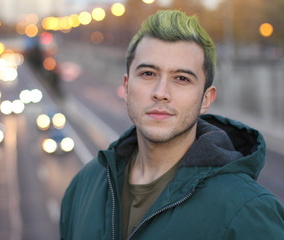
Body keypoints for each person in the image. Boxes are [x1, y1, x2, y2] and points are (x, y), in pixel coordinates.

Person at [60, 9, 284, 240]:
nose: (161, 93)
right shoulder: (84, 185)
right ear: (126, 87)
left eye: (182, 79)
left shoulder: (247, 211)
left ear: (205, 99)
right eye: (148, 74)